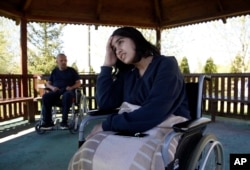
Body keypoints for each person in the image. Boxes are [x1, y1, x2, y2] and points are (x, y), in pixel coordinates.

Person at [68, 27, 191, 170]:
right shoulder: (128, 73)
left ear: (136, 39)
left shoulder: (166, 65)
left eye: (120, 42)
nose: (117, 50)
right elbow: (105, 102)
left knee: (137, 161)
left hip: (166, 125)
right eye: (114, 48)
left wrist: (106, 125)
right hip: (134, 127)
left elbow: (155, 111)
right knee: (87, 151)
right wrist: (107, 65)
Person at [40, 53, 81, 130]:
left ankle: (64, 122)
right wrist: (52, 88)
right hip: (56, 91)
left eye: (65, 60)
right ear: (57, 62)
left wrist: (71, 87)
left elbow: (78, 83)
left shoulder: (72, 71)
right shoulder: (54, 72)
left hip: (68, 91)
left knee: (67, 96)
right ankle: (48, 123)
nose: (63, 62)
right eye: (61, 60)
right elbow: (48, 84)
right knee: (46, 96)